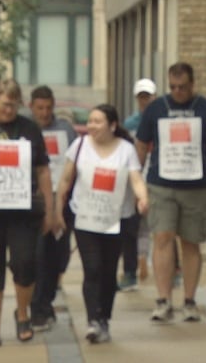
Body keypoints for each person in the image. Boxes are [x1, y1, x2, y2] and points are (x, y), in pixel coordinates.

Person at [135, 62, 206, 323]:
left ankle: (189, 300)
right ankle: (163, 300)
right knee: (162, 236)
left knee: (191, 241)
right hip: (161, 185)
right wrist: (136, 183)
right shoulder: (156, 109)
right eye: (173, 87)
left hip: (195, 187)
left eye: (183, 87)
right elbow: (141, 145)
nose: (177, 92)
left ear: (192, 85)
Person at [0, 78, 64, 347]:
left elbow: (43, 169)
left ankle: (23, 313)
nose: (9, 111)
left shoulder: (28, 129)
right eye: (5, 105)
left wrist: (50, 210)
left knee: (25, 262)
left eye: (14, 106)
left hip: (23, 209)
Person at [56, 104, 149, 344]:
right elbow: (66, 179)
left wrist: (142, 197)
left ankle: (104, 316)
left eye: (98, 121)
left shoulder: (126, 150)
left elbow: (136, 178)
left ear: (112, 125)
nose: (92, 126)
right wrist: (58, 209)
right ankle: (92, 321)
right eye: (90, 121)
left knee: (108, 272)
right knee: (93, 268)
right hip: (85, 217)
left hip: (116, 219)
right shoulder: (79, 146)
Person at [27, 86, 78, 331]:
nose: (45, 113)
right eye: (40, 108)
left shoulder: (65, 130)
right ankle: (37, 308)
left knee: (59, 256)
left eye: (48, 108)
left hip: (64, 200)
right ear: (31, 107)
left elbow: (75, 162)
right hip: (36, 201)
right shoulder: (26, 130)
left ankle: (46, 301)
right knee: (39, 256)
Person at [118, 78, 157, 291]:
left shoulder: (161, 119)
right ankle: (131, 270)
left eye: (148, 97)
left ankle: (174, 271)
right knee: (131, 226)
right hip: (135, 178)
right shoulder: (130, 124)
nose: (145, 101)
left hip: (157, 177)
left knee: (161, 225)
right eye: (141, 97)